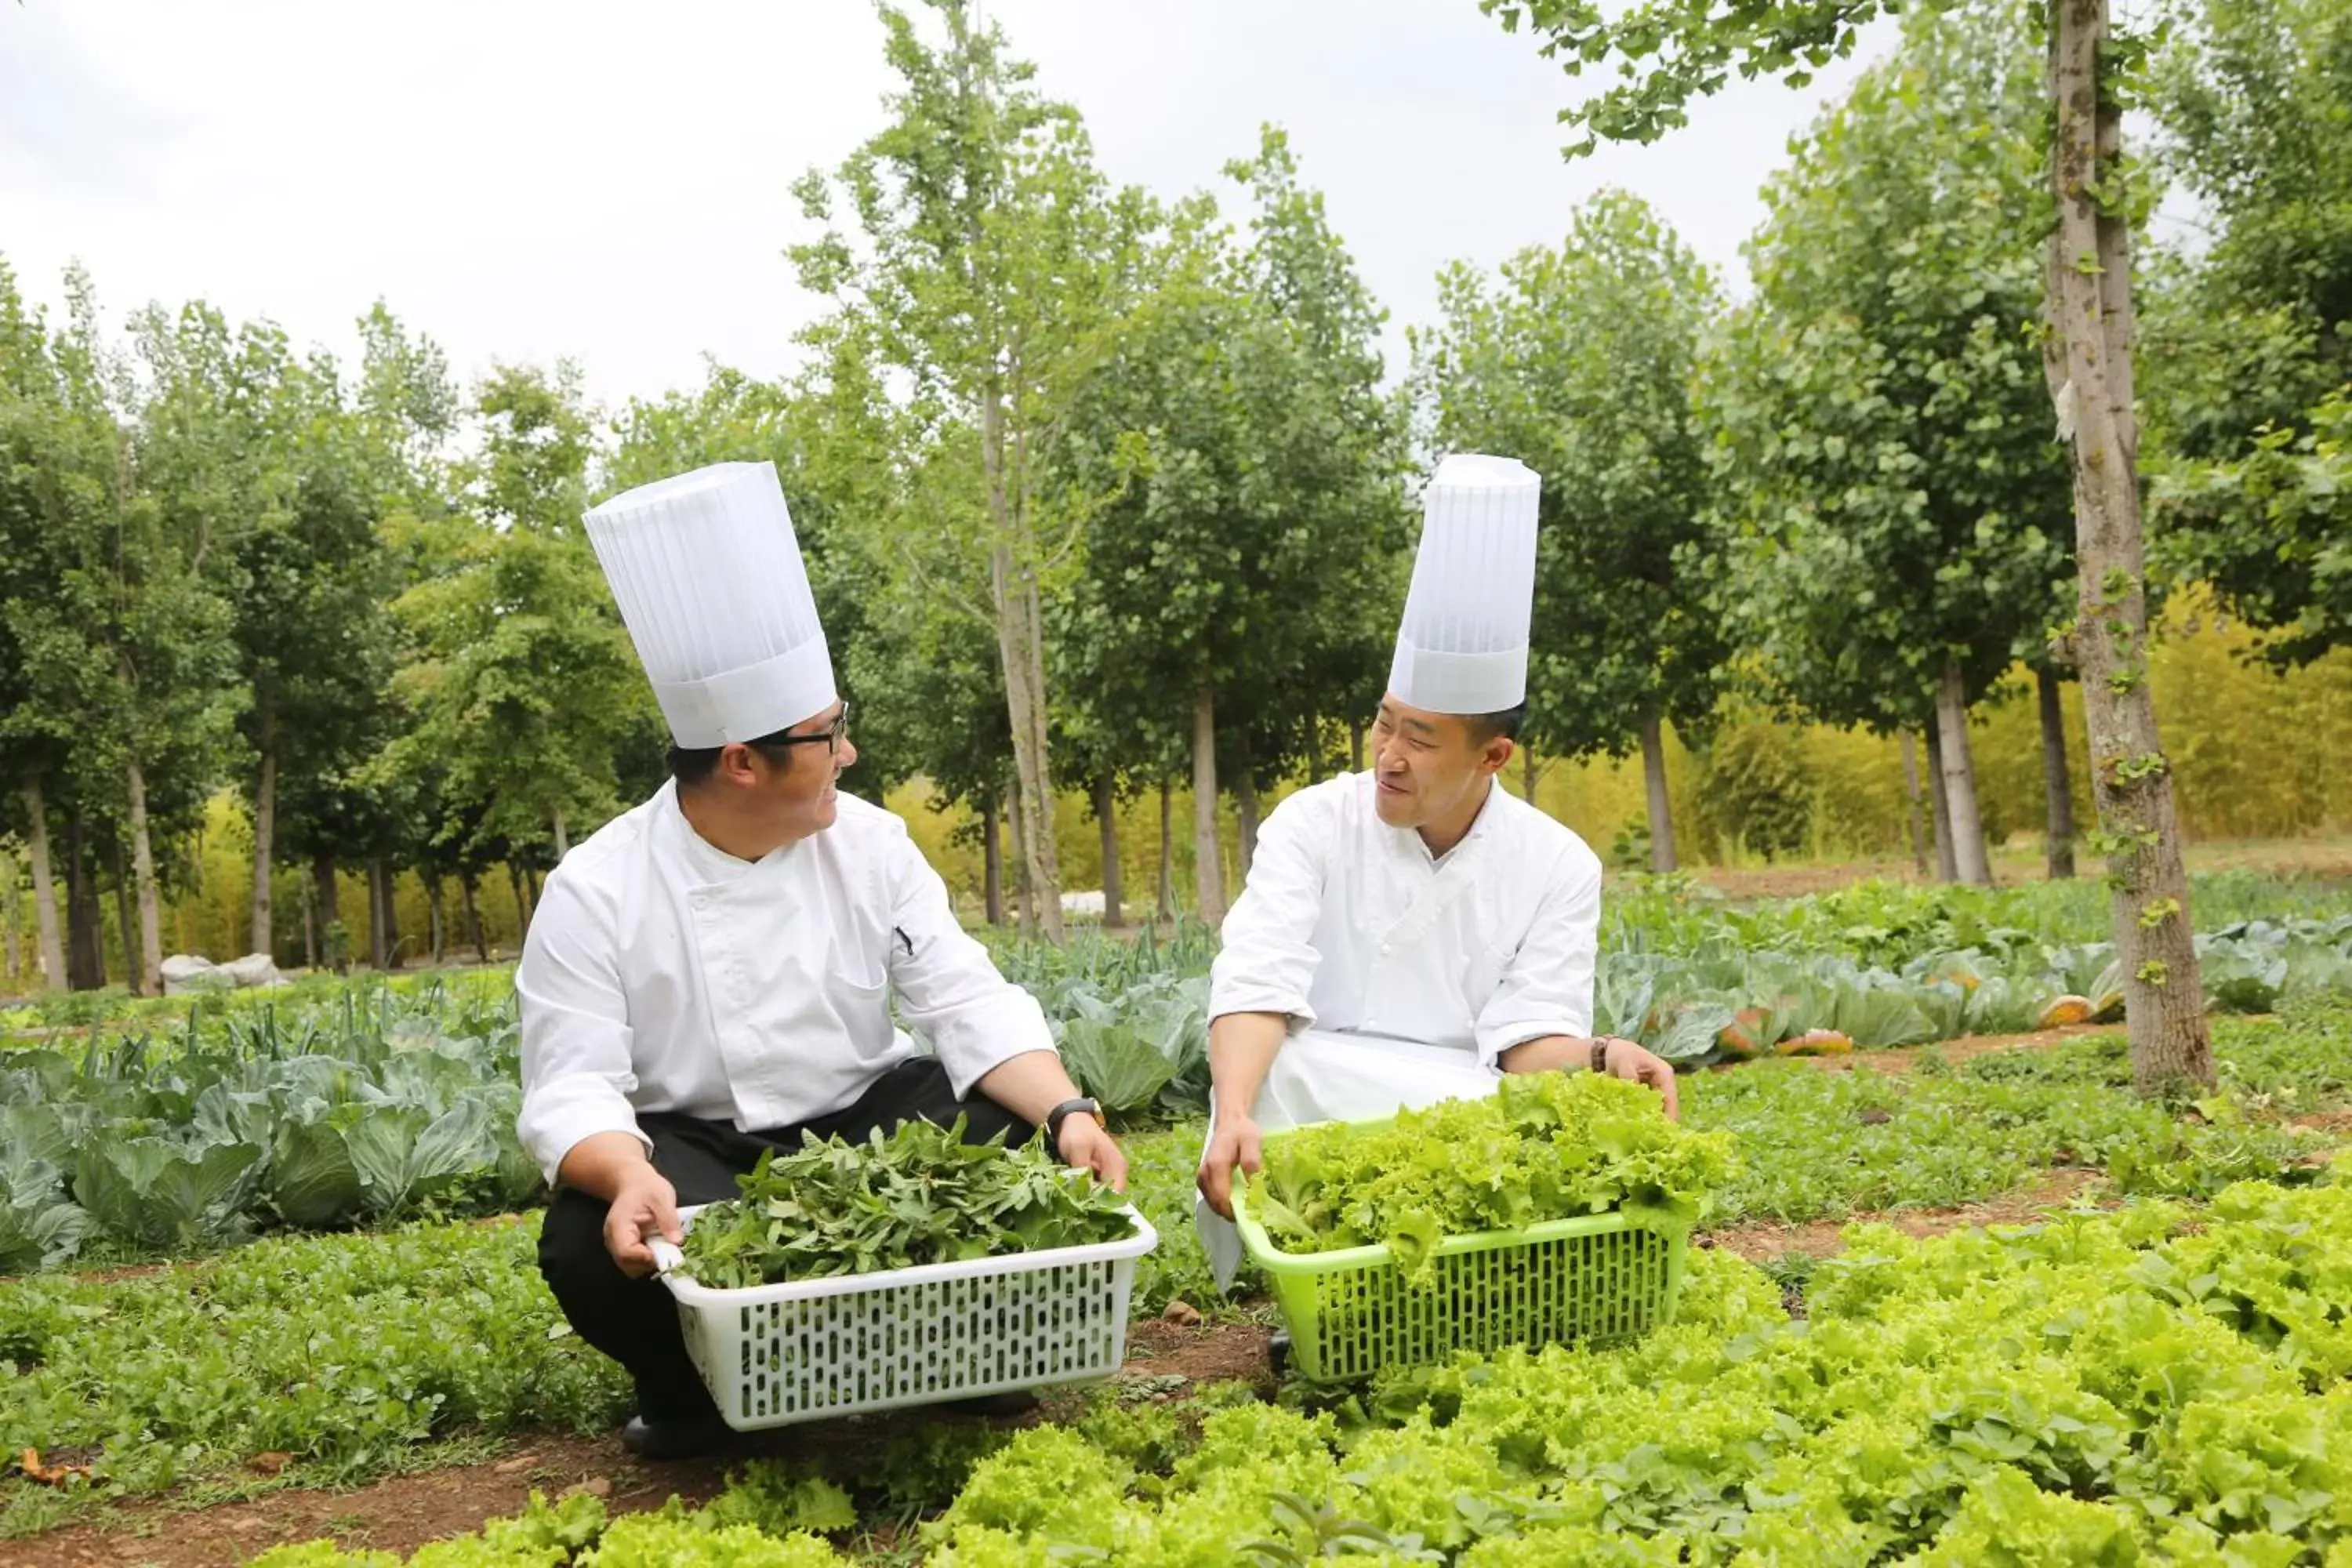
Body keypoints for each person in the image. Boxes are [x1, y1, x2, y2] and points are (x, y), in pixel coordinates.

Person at [519, 461, 1124, 1460]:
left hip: (862, 1127)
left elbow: (963, 995)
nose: (848, 752)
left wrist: (1067, 1110)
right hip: (694, 1150)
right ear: (742, 761)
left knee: (1001, 1132)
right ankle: (692, 1392)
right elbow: (572, 1081)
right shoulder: (597, 886)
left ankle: (960, 1359)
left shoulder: (872, 843)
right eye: (826, 734)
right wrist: (626, 1172)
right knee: (587, 1242)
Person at [1193, 453, 1677, 1287]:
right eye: (1384, 724)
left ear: (1493, 754)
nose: (1388, 755)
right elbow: (1257, 978)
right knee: (1279, 1066)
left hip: (1468, 1103)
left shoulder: (1558, 862)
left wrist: (1601, 1057)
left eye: (1420, 738)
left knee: (1554, 1112)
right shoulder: (1312, 820)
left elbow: (1530, 1041)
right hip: (1317, 1095)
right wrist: (1233, 1107)